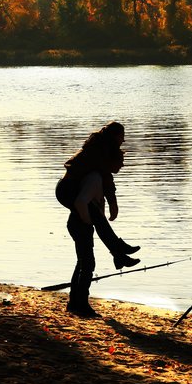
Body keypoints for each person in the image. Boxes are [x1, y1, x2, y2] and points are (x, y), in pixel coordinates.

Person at [56, 122, 140, 318]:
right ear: (113, 136)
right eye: (122, 136)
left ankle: (76, 302)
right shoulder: (99, 158)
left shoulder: (102, 158)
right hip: (67, 191)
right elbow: (83, 199)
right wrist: (86, 221)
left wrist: (112, 202)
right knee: (88, 263)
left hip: (74, 200)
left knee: (84, 260)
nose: (123, 140)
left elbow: (107, 178)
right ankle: (81, 304)